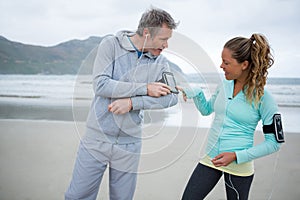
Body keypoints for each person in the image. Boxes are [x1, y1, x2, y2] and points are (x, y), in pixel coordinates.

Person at [65, 8, 178, 200]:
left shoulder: (161, 63)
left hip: (130, 144)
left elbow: (172, 97)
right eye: (163, 39)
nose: (166, 45)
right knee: (77, 197)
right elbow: (101, 84)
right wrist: (145, 88)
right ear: (147, 33)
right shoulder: (111, 45)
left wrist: (133, 103)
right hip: (96, 140)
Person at [178, 33, 284, 200]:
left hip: (239, 166)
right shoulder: (224, 85)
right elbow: (206, 110)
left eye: (226, 63)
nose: (221, 66)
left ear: (244, 64)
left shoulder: (263, 98)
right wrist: (197, 92)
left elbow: (274, 143)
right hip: (211, 158)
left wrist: (236, 156)